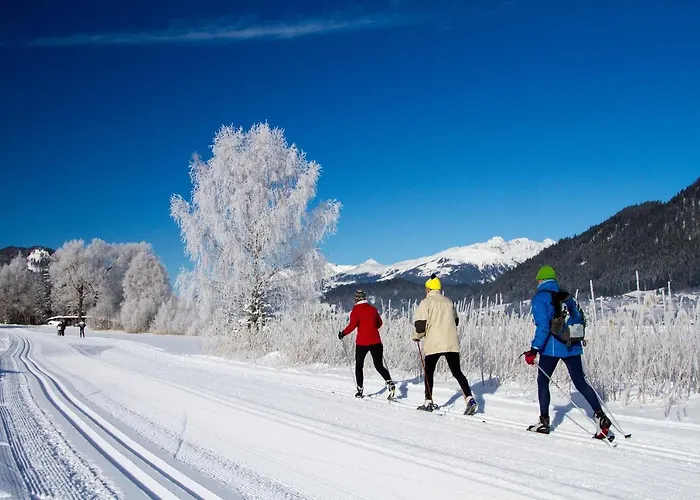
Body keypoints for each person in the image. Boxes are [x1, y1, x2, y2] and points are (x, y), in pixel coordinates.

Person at [523, 265, 611, 438]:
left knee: (543, 381)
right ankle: (600, 416)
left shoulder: (540, 298)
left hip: (552, 348)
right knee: (580, 382)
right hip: (573, 345)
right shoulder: (566, 295)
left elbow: (543, 326)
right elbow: (578, 318)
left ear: (540, 280)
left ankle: (544, 421)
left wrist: (534, 349)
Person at [412, 274, 478, 415]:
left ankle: (428, 401)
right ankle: (470, 399)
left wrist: (416, 337)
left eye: (426, 288)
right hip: (451, 342)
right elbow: (456, 322)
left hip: (434, 343)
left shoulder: (426, 303)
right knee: (457, 372)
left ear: (429, 289)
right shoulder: (449, 302)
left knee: (429, 372)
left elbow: (420, 326)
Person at [339, 290, 396, 399]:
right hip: (376, 341)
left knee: (359, 366)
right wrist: (371, 329)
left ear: (356, 299)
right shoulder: (373, 309)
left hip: (362, 343)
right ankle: (390, 383)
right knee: (379, 365)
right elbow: (379, 323)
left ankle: (360, 390)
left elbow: (352, 326)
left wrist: (343, 333)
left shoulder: (356, 310)